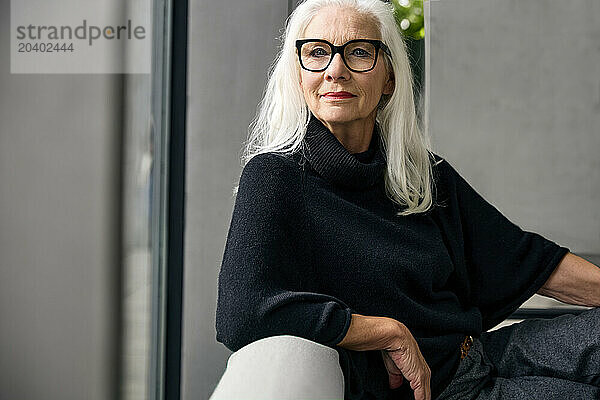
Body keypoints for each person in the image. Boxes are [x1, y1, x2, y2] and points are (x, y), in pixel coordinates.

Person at [215, 0, 600, 399]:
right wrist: (383, 330)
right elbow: (241, 312)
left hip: (480, 351)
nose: (335, 70)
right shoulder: (275, 176)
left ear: (390, 79)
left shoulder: (419, 172)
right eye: (316, 53)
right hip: (437, 390)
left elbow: (529, 262)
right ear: (297, 75)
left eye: (359, 52)